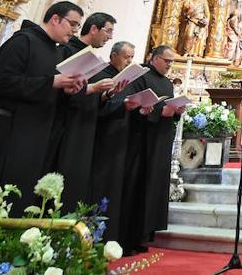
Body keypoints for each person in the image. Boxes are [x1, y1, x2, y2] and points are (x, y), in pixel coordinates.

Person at [0, 0, 87, 206]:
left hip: (32, 132)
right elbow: (1, 82)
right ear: (55, 18)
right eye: (73, 24)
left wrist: (66, 90)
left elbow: (45, 89)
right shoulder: (23, 41)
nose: (74, 31)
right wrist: (52, 82)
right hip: (4, 132)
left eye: (77, 26)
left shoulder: (57, 51)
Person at [54, 12, 121, 208]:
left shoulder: (92, 57)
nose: (109, 37)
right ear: (94, 28)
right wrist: (93, 88)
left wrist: (107, 94)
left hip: (85, 124)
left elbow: (92, 96)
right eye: (108, 31)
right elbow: (62, 90)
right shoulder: (69, 50)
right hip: (67, 125)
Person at [122, 45, 184, 251]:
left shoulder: (167, 83)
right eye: (166, 61)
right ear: (154, 58)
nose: (169, 65)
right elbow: (130, 104)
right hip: (142, 140)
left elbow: (168, 108)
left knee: (154, 187)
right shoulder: (141, 76)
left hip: (160, 140)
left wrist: (176, 110)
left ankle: (146, 235)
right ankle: (130, 236)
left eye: (171, 62)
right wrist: (159, 111)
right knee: (138, 186)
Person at [90, 41, 138, 243]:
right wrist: (119, 104)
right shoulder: (102, 75)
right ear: (114, 55)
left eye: (132, 57)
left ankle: (110, 234)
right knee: (99, 184)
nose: (129, 61)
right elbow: (96, 109)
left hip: (121, 138)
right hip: (102, 139)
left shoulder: (128, 79)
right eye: (127, 57)